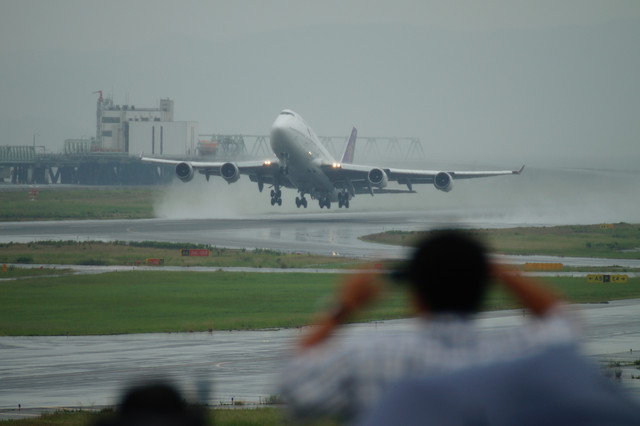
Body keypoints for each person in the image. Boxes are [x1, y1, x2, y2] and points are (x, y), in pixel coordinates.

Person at [279, 229, 579, 422]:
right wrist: (495, 269)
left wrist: (344, 304)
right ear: (484, 286)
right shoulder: (517, 356)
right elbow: (566, 325)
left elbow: (293, 383)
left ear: (415, 295)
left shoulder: (369, 356)